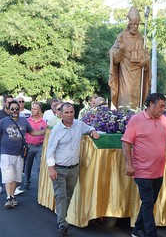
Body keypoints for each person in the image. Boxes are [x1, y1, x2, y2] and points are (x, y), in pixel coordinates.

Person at [121, 93, 166, 237]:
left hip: (158, 171)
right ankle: (151, 234)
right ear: (151, 104)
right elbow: (126, 142)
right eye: (161, 106)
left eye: (164, 106)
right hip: (142, 171)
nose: (164, 109)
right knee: (147, 202)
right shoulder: (136, 120)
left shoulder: (163, 119)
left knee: (149, 203)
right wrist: (129, 164)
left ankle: (137, 231)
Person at [46, 102, 100, 236]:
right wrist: (51, 168)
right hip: (59, 168)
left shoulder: (79, 124)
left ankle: (62, 217)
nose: (69, 115)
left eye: (71, 112)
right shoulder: (57, 130)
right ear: (61, 114)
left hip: (74, 169)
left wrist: (93, 131)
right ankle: (62, 223)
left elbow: (88, 128)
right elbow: (50, 151)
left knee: (68, 196)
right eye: (66, 113)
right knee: (61, 196)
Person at [0, 100, 46, 208]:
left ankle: (12, 196)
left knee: (16, 176)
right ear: (9, 110)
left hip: (20, 153)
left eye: (17, 109)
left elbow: (32, 132)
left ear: (19, 109)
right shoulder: (3, 122)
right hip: (6, 153)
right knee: (8, 176)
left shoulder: (24, 121)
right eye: (12, 109)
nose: (15, 111)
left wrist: (44, 132)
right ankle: (9, 197)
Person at [109, 6, 151, 110]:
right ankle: (124, 118)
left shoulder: (141, 38)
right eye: (133, 24)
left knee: (137, 98)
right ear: (129, 23)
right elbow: (113, 53)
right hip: (125, 72)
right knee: (126, 97)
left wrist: (146, 60)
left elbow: (146, 55)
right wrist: (121, 50)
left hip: (138, 74)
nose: (135, 26)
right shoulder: (122, 36)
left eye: (137, 24)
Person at [23, 102, 47, 190]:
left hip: (40, 147)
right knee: (27, 166)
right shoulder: (27, 121)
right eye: (32, 109)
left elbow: (46, 135)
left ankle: (40, 185)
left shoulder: (44, 122)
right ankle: (26, 182)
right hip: (29, 146)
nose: (32, 110)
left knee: (39, 167)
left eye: (35, 109)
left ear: (39, 110)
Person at [0, 94, 14, 195]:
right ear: (5, 103)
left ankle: (12, 188)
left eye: (12, 102)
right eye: (9, 102)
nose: (10, 104)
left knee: (11, 167)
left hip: (12, 146)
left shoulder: (15, 114)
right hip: (1, 143)